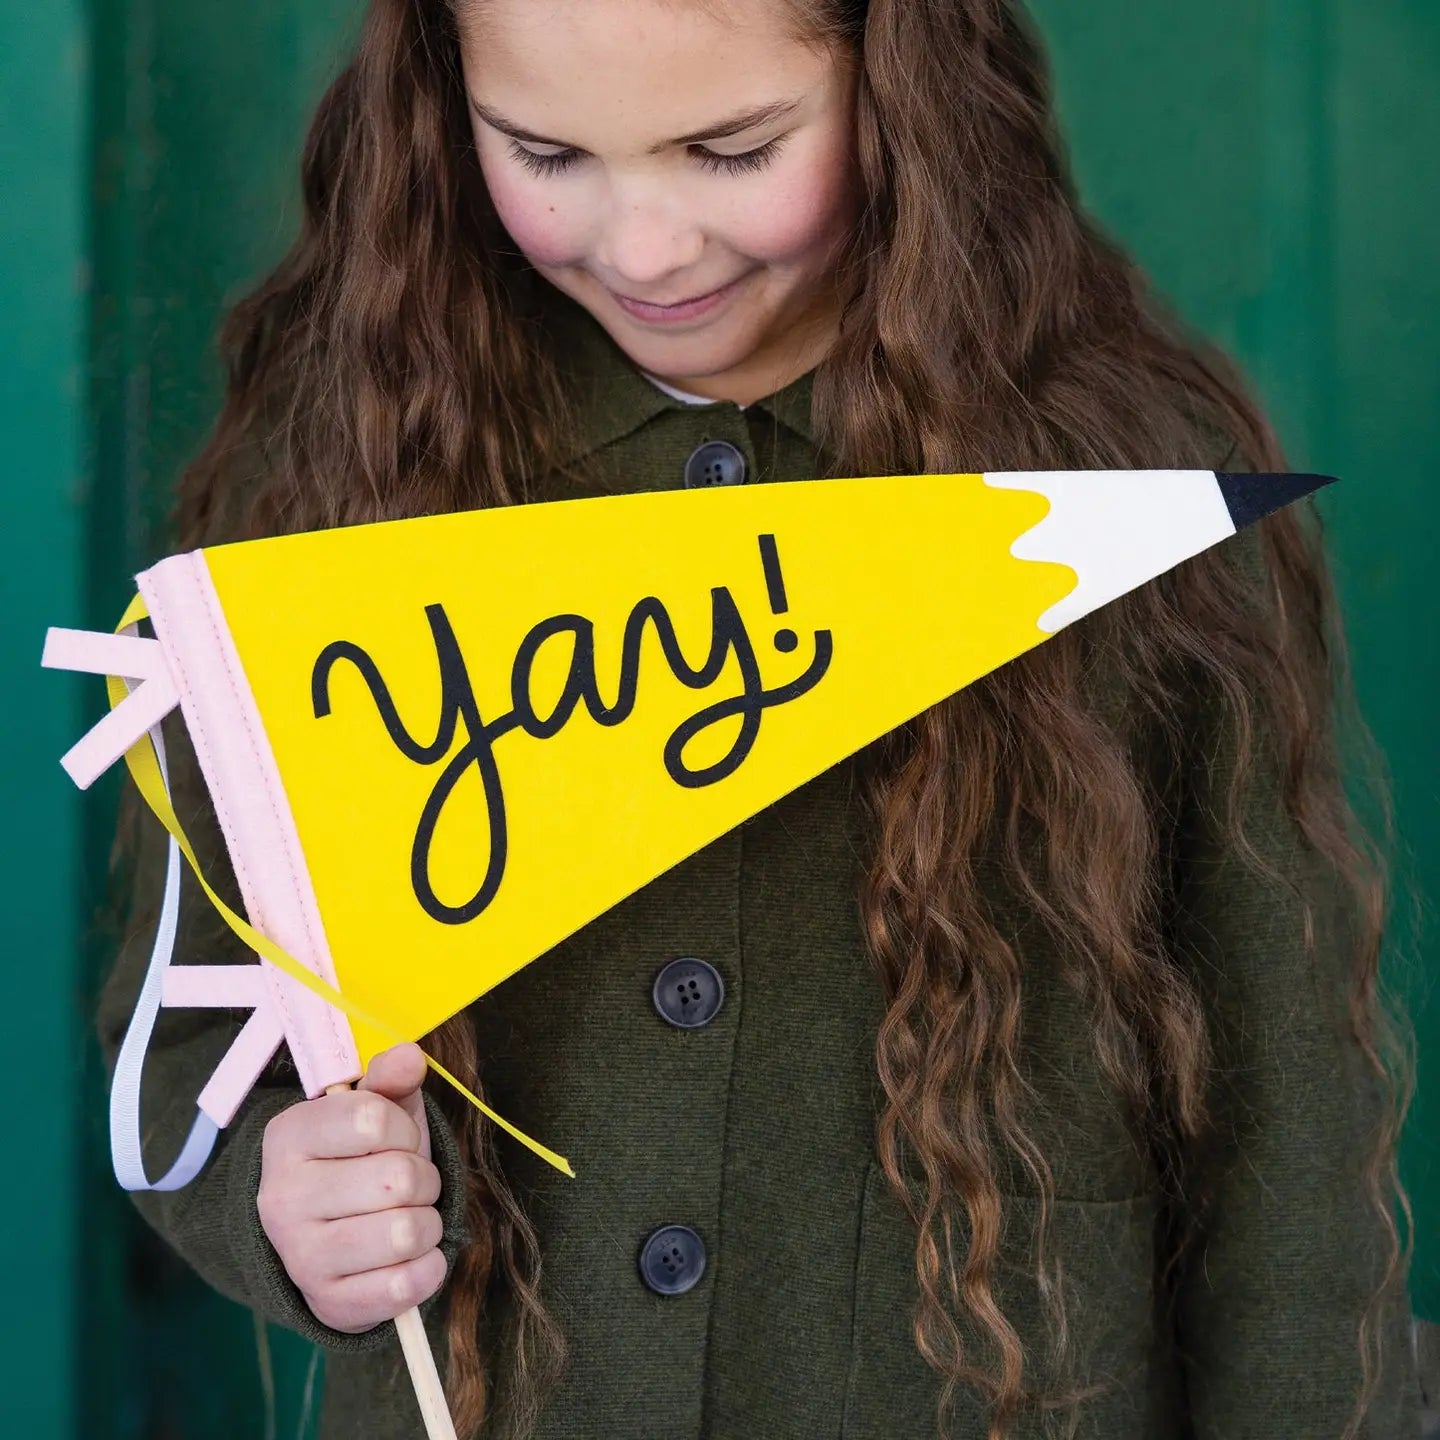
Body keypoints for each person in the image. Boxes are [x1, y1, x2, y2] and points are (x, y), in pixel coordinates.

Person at [97, 1, 1423, 1437]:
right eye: (545, 151)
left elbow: (1288, 1138)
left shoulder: (1131, 488)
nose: (647, 245)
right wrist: (281, 1204)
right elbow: (182, 1043)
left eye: (732, 149)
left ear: (899, 83)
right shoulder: (344, 478)